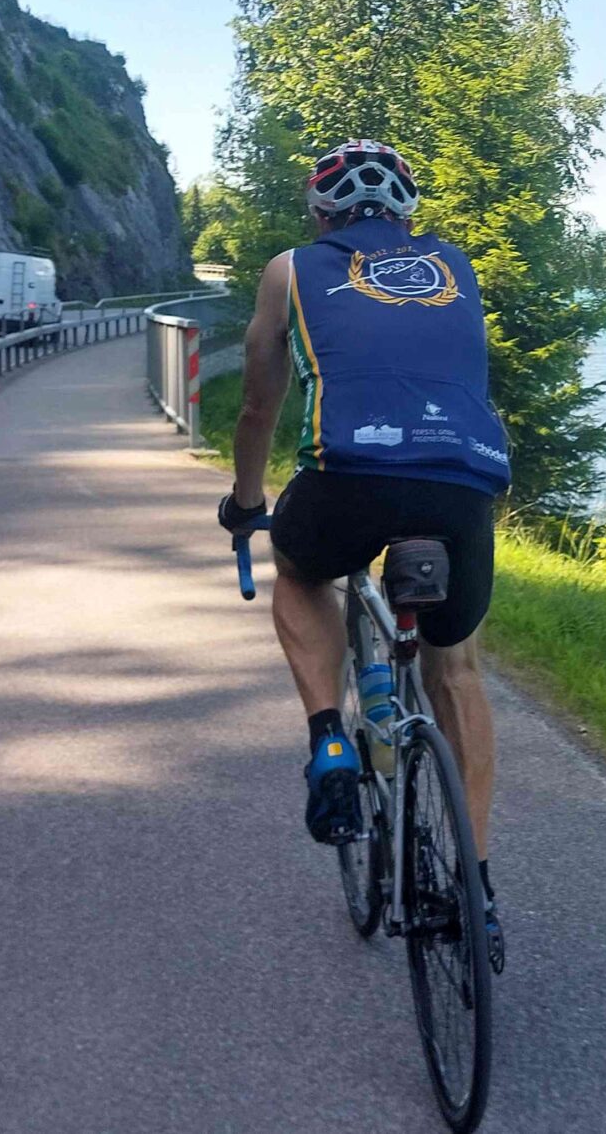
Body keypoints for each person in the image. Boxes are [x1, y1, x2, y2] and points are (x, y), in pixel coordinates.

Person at [217, 138, 510, 969]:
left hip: (347, 475)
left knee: (300, 571)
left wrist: (247, 503)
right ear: (408, 212)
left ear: (321, 212)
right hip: (462, 481)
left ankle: (330, 740)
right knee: (457, 670)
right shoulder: (457, 266)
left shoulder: (290, 270)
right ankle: (478, 890)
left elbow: (258, 405)